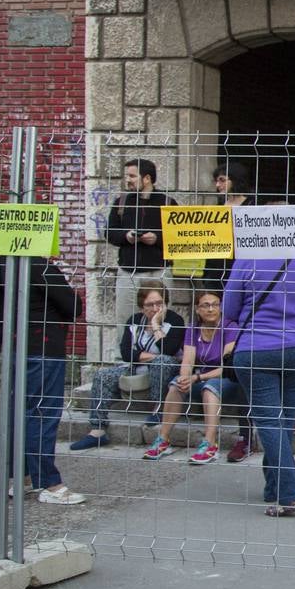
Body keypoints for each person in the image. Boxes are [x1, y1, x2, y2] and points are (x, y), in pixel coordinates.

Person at [224, 253, 295, 516]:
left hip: (256, 348)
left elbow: (229, 310)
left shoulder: (247, 260)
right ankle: (274, 487)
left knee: (269, 421)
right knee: (284, 419)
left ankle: (289, 495)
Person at [73, 281, 184, 450]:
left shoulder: (175, 321)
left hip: (166, 371)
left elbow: (168, 350)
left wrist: (155, 325)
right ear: (141, 307)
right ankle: (97, 430)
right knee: (103, 375)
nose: (155, 309)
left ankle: (158, 410)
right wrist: (150, 356)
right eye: (149, 305)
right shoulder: (134, 321)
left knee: (163, 361)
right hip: (136, 370)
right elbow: (126, 353)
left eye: (159, 304)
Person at [11, 257, 86, 505]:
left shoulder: (4, 261)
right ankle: (49, 483)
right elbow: (72, 306)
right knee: (42, 414)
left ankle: (20, 475)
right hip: (44, 346)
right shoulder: (38, 265)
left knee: (23, 412)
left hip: (18, 344)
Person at [145, 290, 241, 464]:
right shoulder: (193, 329)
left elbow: (226, 367)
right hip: (202, 376)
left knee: (210, 388)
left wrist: (197, 378)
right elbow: (188, 361)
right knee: (175, 384)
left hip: (227, 378)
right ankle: (163, 440)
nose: (211, 309)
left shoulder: (230, 327)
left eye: (215, 305)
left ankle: (210, 444)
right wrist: (184, 378)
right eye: (205, 305)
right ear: (197, 309)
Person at [106, 158, 179, 360]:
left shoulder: (167, 203)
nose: (127, 180)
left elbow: (180, 237)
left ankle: (162, 359)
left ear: (147, 178)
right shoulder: (121, 202)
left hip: (159, 271)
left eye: (131, 175)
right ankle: (126, 360)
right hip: (129, 272)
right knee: (125, 320)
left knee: (161, 318)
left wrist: (156, 239)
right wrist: (127, 236)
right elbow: (110, 233)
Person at [200, 160, 253, 293]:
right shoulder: (218, 208)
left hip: (240, 267)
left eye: (222, 180)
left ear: (235, 179)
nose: (218, 185)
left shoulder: (252, 206)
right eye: (216, 181)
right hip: (215, 269)